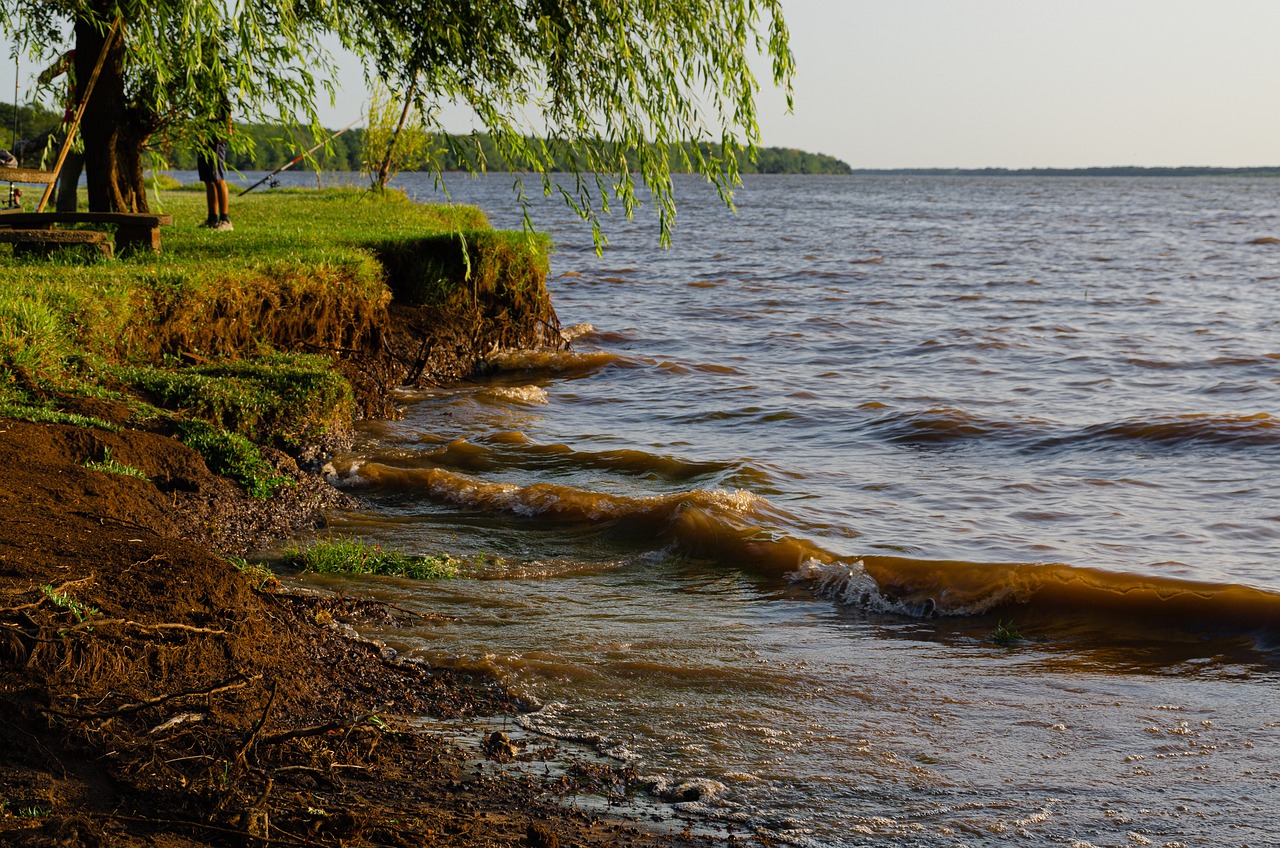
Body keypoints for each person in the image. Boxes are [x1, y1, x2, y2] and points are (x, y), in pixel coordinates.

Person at [198, 98, 233, 230]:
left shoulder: (219, 93)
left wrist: (228, 130)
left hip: (217, 138)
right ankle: (212, 219)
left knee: (218, 178)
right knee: (208, 180)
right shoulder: (200, 94)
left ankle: (225, 220)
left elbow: (228, 113)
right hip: (203, 140)